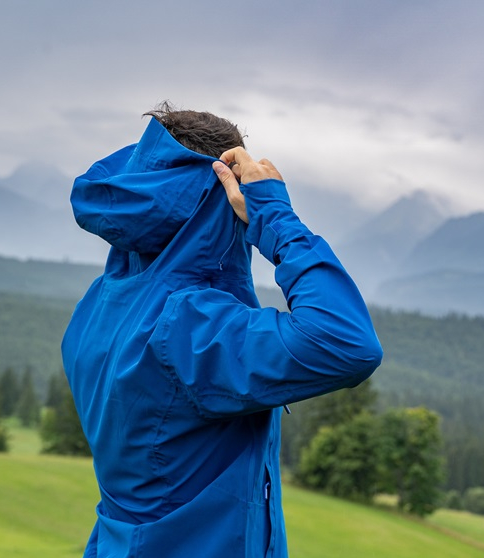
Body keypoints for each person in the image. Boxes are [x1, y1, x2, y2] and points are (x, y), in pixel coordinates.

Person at [61, 104, 383, 557]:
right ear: (223, 193)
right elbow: (347, 342)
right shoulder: (188, 325)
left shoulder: (100, 304)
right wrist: (274, 215)